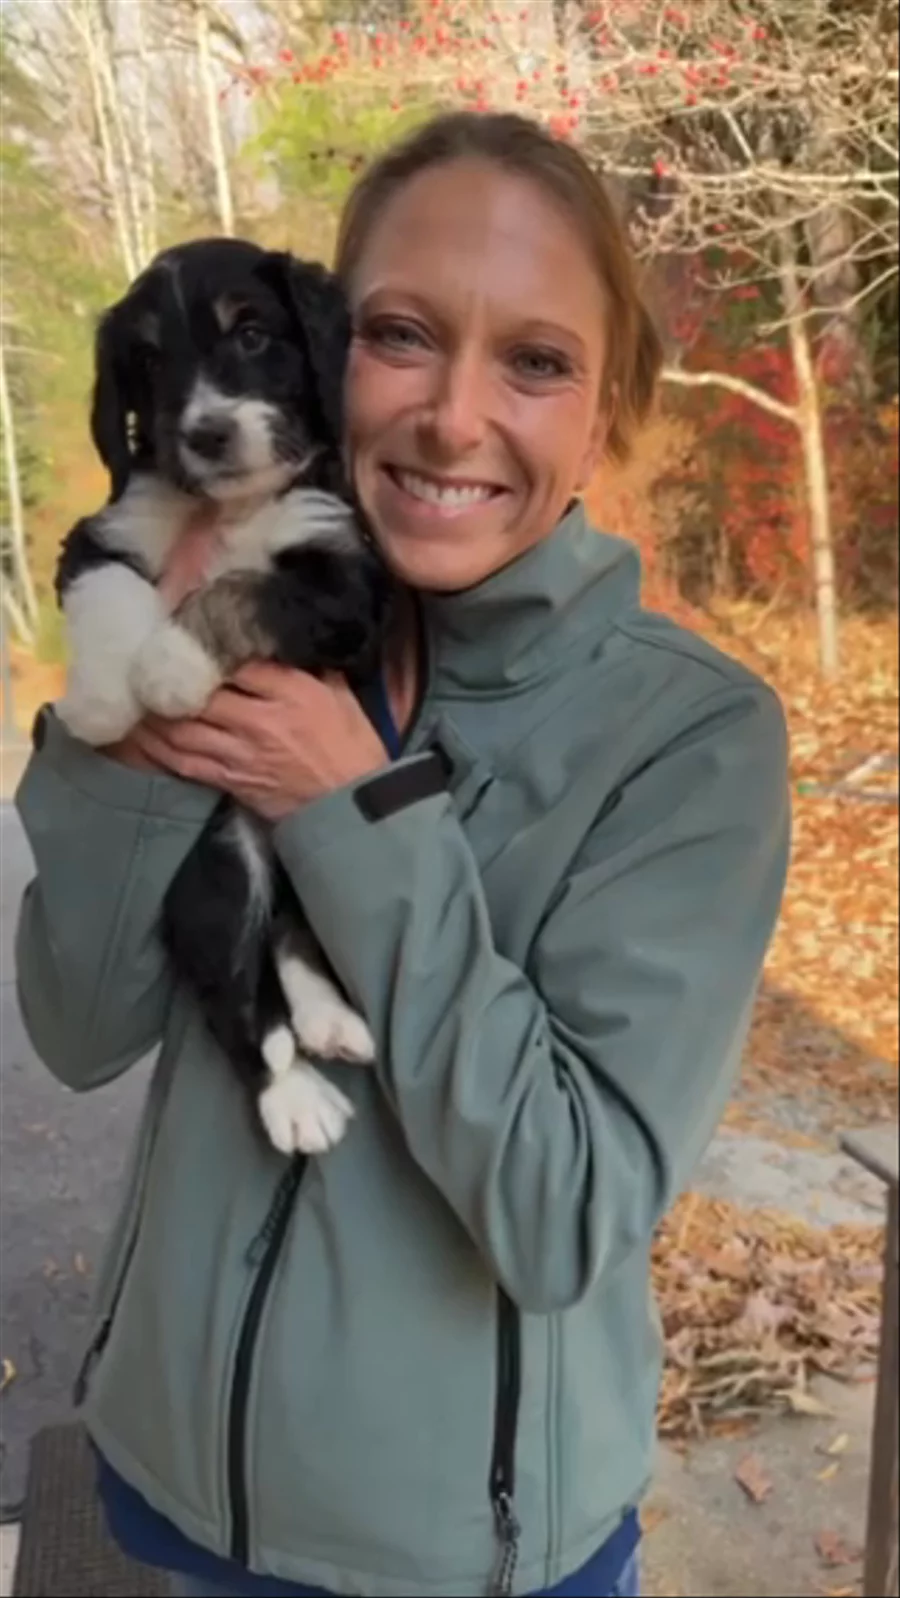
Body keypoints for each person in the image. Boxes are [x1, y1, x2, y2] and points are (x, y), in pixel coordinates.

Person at [14, 111, 790, 1598]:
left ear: (608, 411)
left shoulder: (693, 739)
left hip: (462, 1555)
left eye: (537, 361)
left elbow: (565, 1206)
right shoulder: (248, 609)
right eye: (402, 335)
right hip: (171, 1486)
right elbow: (79, 1023)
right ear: (326, 350)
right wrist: (130, 729)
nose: (450, 416)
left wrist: (347, 809)